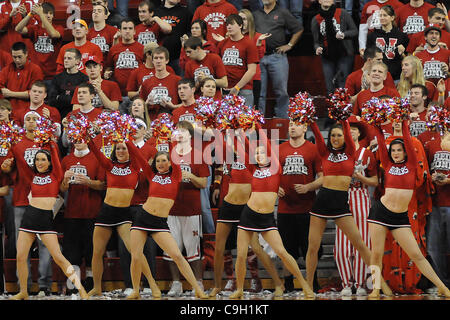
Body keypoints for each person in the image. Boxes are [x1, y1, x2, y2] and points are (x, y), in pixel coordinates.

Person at [306, 118, 393, 295]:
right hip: (322, 201)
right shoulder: (324, 152)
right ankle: (308, 287)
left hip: (340, 203)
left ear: (345, 137)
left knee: (361, 244)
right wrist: (310, 120)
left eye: (339, 135)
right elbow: (316, 133)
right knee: (312, 247)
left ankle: (380, 284)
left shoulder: (351, 152)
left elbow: (346, 130)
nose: (335, 138)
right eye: (332, 135)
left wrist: (344, 117)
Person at [228, 124, 315, 299]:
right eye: (257, 153)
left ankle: (305, 285)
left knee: (282, 252)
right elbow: (246, 145)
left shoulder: (276, 168)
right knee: (242, 254)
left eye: (263, 152)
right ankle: (239, 289)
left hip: (266, 218)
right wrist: (237, 130)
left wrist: (258, 126)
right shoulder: (253, 169)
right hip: (248, 215)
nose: (259, 155)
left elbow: (267, 143)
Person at [368, 118, 450, 298]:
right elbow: (381, 142)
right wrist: (376, 125)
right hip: (380, 213)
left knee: (416, 254)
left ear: (406, 152)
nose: (396, 153)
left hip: (400, 217)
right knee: (376, 254)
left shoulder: (412, 165)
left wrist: (404, 122)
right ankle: (375, 289)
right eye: (394, 151)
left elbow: (406, 137)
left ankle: (442, 286)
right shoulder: (387, 164)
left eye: (399, 150)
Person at [123, 138, 208, 299]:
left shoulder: (176, 175)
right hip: (142, 218)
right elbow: (138, 156)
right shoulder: (150, 174)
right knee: (136, 256)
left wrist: (169, 138)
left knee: (176, 255)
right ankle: (135, 290)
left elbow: (175, 155)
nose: (161, 163)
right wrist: (127, 141)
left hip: (160, 222)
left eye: (164, 160)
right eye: (158, 161)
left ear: (170, 163)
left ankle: (197, 289)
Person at [6, 141, 90, 300]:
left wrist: (50, 141)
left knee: (59, 257)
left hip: (45, 221)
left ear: (50, 162)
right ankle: (23, 291)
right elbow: (21, 160)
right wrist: (11, 142)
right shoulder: (33, 176)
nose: (39, 162)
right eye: (37, 160)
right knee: (21, 256)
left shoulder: (56, 175)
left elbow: (57, 158)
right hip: (28, 220)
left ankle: (81, 291)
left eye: (43, 159)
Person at [208, 127, 285, 297]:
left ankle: (277, 283)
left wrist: (274, 185)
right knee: (219, 247)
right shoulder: (230, 152)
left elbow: (267, 171)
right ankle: (217, 286)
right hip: (228, 205)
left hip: (246, 207)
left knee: (256, 248)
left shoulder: (255, 152)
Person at [86, 133, 160, 298]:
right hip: (106, 212)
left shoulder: (135, 165)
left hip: (123, 214)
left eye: (124, 148)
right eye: (118, 148)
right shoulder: (109, 166)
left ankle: (152, 284)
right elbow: (95, 151)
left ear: (129, 150)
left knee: (135, 251)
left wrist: (125, 135)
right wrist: (86, 136)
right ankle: (97, 287)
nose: (120, 151)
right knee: (97, 252)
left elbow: (138, 152)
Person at [1, 112, 54, 297]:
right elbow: (6, 167)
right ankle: (24, 285)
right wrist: (6, 165)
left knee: (45, 243)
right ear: (24, 124)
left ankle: (44, 285)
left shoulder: (47, 143)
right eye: (28, 119)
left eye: (34, 119)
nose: (31, 122)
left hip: (44, 200)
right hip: (22, 199)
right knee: (20, 245)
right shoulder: (16, 144)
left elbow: (56, 170)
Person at [333, 116, 378, 296]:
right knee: (342, 245)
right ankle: (346, 282)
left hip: (360, 195)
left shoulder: (366, 153)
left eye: (354, 128)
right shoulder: (338, 152)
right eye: (347, 128)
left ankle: (360, 283)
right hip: (341, 196)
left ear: (359, 133)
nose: (350, 131)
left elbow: (375, 180)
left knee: (362, 241)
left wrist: (360, 178)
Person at [277, 121, 324, 293]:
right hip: (285, 209)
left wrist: (309, 187)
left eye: (296, 125)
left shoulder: (313, 149)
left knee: (311, 249)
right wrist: (275, 187)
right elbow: (271, 173)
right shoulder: (280, 148)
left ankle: (314, 281)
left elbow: (322, 177)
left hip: (307, 208)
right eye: (290, 125)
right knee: (286, 249)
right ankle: (288, 282)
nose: (292, 127)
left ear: (305, 128)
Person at [164, 121, 209, 297]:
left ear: (190, 135)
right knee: (171, 249)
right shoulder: (169, 154)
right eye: (177, 130)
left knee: (193, 250)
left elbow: (204, 183)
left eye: (183, 130)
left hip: (191, 210)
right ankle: (176, 283)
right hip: (171, 208)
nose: (179, 133)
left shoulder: (198, 155)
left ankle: (197, 282)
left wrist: (190, 176)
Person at [60, 141, 106, 294]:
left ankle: (93, 283)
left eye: (81, 138)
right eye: (76, 139)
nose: (78, 142)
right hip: (72, 213)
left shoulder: (96, 158)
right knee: (71, 251)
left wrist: (88, 182)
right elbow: (61, 188)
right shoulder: (66, 160)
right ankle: (73, 285)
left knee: (92, 250)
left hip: (92, 213)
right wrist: (66, 180)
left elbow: (102, 185)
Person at [253, 0, 303, 118]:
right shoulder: (255, 14)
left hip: (277, 56)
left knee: (282, 92)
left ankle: (283, 123)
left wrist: (289, 45)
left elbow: (298, 29)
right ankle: (259, 124)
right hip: (259, 56)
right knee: (259, 93)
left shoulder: (282, 12)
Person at [311, 0, 358, 96]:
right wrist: (317, 48)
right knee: (329, 87)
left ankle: (345, 110)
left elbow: (354, 31)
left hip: (344, 54)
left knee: (343, 86)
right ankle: (332, 110)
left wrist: (344, 34)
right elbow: (316, 42)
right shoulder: (316, 19)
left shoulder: (342, 13)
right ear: (319, 1)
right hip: (327, 57)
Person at [14, 2, 64, 82]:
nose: (48, 15)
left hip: (52, 76)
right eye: (45, 13)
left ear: (53, 16)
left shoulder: (59, 28)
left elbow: (53, 34)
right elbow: (18, 29)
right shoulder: (35, 28)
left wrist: (41, 14)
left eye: (50, 13)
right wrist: (30, 14)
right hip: (36, 74)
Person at [425, 129, 450, 288]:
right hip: (434, 203)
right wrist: (431, 177)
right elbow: (423, 167)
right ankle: (443, 284)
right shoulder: (430, 143)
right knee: (433, 248)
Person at [217, 14, 258, 107]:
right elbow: (217, 67)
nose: (229, 27)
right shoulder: (222, 43)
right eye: (227, 24)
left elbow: (252, 70)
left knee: (245, 120)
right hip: (225, 89)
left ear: (240, 25)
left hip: (244, 89)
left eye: (232, 24)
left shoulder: (249, 44)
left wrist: (237, 87)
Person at [105, 18, 145, 113]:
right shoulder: (114, 49)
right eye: (125, 28)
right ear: (120, 31)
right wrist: (107, 72)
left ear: (135, 31)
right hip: (118, 95)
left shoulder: (142, 48)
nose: (127, 31)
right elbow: (109, 66)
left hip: (136, 95)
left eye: (130, 28)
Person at [0, 41, 43, 120]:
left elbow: (34, 93)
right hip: (8, 111)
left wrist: (11, 93)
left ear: (26, 54)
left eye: (19, 57)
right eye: (14, 57)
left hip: (27, 112)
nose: (17, 60)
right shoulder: (6, 70)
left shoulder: (35, 70)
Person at [366, 5, 409, 81]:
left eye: (385, 15)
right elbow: (369, 57)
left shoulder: (402, 36)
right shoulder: (372, 36)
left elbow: (407, 60)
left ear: (392, 18)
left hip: (396, 77)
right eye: (380, 15)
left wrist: (402, 53)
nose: (382, 18)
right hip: (377, 76)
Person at [139, 46, 182, 119]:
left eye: (161, 58)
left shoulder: (177, 80)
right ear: (152, 61)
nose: (158, 61)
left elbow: (187, 104)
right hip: (152, 122)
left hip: (172, 121)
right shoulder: (146, 82)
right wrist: (146, 104)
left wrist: (173, 107)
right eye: (156, 58)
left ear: (167, 60)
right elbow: (140, 106)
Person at [238, 9, 269, 110]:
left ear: (250, 21)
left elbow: (259, 58)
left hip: (253, 78)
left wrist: (258, 44)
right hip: (235, 78)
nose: (242, 22)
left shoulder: (258, 37)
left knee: (253, 109)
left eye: (244, 19)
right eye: (239, 19)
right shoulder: (231, 37)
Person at [47, 48, 89, 120]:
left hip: (77, 116)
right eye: (65, 58)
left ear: (77, 61)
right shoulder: (57, 78)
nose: (66, 60)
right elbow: (51, 100)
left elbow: (83, 101)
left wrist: (60, 97)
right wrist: (72, 99)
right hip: (58, 114)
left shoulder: (84, 79)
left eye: (69, 58)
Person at [155, 0, 193, 76]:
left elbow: (191, 31)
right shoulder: (156, 12)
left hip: (178, 57)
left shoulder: (185, 12)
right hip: (160, 58)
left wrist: (188, 37)